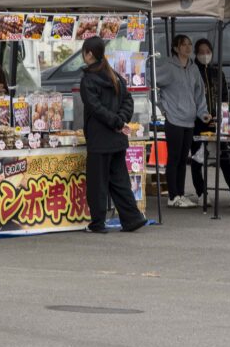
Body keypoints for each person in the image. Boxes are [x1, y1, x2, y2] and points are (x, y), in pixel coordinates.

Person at [79, 36, 148, 234]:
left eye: (84, 52)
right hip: (117, 139)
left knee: (97, 184)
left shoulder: (89, 79)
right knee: (120, 181)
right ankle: (132, 218)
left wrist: (117, 122)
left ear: (89, 54)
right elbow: (128, 101)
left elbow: (96, 108)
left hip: (100, 139)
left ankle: (97, 223)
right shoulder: (114, 75)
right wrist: (121, 120)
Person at [155, 34, 210, 208]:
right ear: (176, 48)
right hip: (174, 119)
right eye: (184, 45)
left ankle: (180, 193)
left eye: (189, 44)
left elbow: (199, 92)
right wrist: (163, 107)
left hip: (190, 120)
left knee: (182, 159)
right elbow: (150, 82)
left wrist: (203, 112)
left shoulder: (193, 68)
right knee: (174, 158)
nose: (188, 47)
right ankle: (173, 196)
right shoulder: (168, 67)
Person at [188, 38, 230, 206]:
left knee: (224, 156)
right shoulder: (192, 72)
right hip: (198, 122)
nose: (205, 55)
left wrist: (223, 116)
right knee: (197, 158)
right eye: (201, 52)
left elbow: (224, 97)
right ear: (196, 53)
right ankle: (201, 193)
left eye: (208, 52)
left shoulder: (218, 73)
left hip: (217, 122)